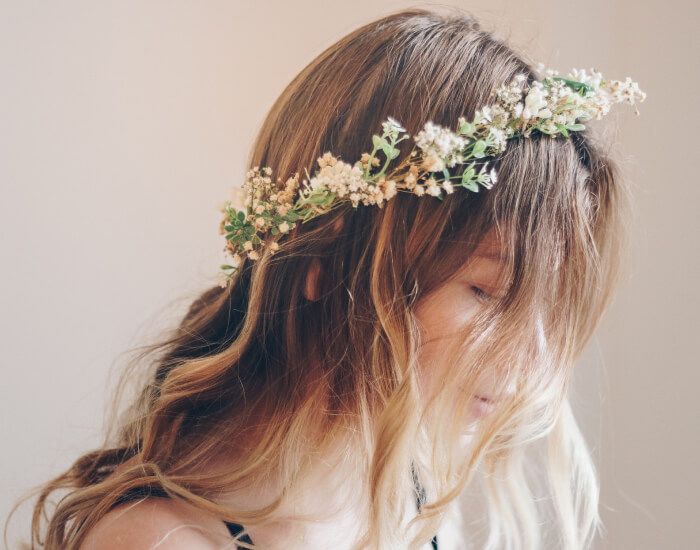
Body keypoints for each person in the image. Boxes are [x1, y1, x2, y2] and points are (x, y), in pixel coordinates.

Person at [13, 7, 645, 550]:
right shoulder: (163, 541)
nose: (536, 361)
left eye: (546, 310)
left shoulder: (415, 515)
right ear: (324, 261)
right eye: (487, 292)